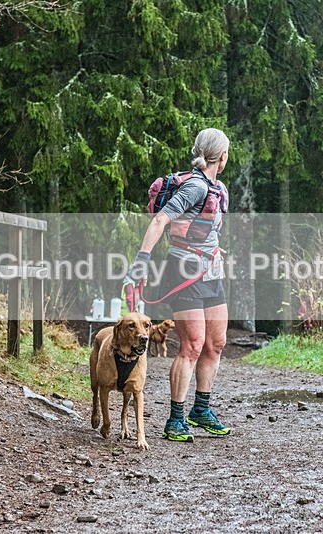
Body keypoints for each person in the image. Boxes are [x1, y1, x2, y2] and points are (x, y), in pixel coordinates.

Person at [126, 128, 231, 442]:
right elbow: (161, 220)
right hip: (184, 274)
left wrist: (213, 249)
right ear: (222, 156)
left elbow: (200, 228)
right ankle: (175, 420)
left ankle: (200, 409)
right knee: (192, 345)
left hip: (211, 272)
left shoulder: (219, 188)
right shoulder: (196, 187)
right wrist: (143, 258)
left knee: (216, 343)